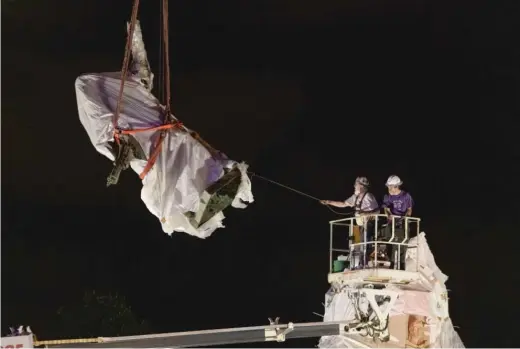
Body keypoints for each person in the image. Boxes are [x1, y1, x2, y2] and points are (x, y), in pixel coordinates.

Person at [320, 177, 379, 268]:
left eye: (356, 184)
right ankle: (359, 263)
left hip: (369, 224)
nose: (354, 186)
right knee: (357, 244)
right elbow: (343, 204)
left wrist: (365, 213)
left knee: (365, 243)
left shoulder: (368, 196)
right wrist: (328, 202)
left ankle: (365, 263)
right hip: (359, 224)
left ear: (361, 186)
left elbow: (377, 211)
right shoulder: (355, 197)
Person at [379, 175, 414, 269]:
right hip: (392, 222)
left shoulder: (406, 196)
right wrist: (389, 215)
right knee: (390, 241)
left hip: (403, 222)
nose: (389, 189)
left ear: (397, 186)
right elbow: (386, 208)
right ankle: (391, 263)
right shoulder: (387, 196)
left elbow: (409, 209)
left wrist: (405, 218)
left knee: (403, 242)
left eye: (391, 187)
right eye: (388, 186)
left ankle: (402, 264)